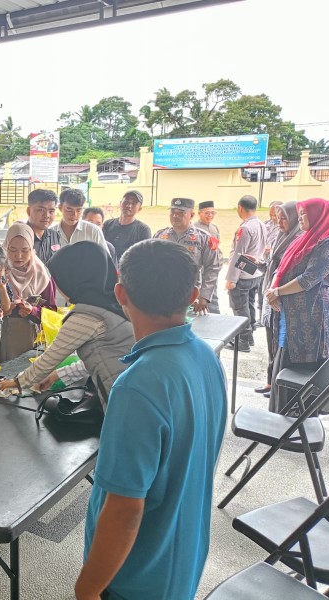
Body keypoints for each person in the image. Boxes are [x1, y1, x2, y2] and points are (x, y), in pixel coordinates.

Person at [75, 239, 227, 600]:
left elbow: (125, 509)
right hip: (184, 556)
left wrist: (88, 587)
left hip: (137, 578)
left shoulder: (137, 386)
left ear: (121, 294)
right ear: (192, 295)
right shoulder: (206, 356)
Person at [0, 242, 134, 407]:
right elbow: (101, 359)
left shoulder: (87, 316)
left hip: (124, 401)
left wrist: (17, 382)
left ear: (73, 279)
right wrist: (59, 375)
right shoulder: (116, 306)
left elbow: (49, 359)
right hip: (137, 392)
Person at [265, 198, 329, 413]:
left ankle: (300, 419)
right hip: (291, 314)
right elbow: (281, 269)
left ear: (320, 215)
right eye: (299, 213)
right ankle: (280, 415)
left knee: (303, 367)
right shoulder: (304, 239)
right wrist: (274, 289)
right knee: (285, 359)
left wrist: (277, 292)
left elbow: (309, 279)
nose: (300, 217)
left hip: (312, 315)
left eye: (304, 213)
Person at [254, 201, 301, 396]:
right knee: (270, 341)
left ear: (295, 219)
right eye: (277, 218)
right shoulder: (280, 236)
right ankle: (270, 381)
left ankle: (277, 385)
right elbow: (273, 266)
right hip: (270, 293)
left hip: (282, 298)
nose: (279, 222)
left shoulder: (298, 240)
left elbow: (289, 271)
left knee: (279, 344)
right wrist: (259, 263)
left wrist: (277, 291)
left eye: (284, 218)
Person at [0, 222, 57, 362]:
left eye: (25, 250)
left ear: (32, 248)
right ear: (5, 247)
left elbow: (52, 312)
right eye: (12, 249)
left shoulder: (41, 274)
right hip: (0, 338)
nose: (18, 256)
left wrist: (32, 311)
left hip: (30, 339)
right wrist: (2, 309)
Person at [153, 198, 219, 315]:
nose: (175, 216)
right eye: (173, 212)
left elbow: (212, 267)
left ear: (191, 215)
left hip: (191, 296)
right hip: (162, 294)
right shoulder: (160, 236)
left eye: (181, 213)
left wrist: (204, 296)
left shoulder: (203, 238)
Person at [224, 195, 267, 351]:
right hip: (254, 273)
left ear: (240, 208)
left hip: (242, 274)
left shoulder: (246, 228)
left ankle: (243, 340)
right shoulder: (261, 224)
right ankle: (249, 336)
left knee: (240, 308)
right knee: (249, 305)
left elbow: (238, 255)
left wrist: (231, 279)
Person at [102, 190, 151, 260]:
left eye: (133, 203)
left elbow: (145, 256)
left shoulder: (143, 230)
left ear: (139, 209)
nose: (128, 206)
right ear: (120, 204)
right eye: (126, 202)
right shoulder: (108, 224)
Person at [194, 200, 222, 313]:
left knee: (213, 295)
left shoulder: (214, 228)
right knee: (197, 296)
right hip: (200, 271)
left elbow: (217, 247)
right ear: (199, 213)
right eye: (207, 213)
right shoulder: (194, 229)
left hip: (212, 268)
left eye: (212, 213)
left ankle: (215, 316)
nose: (210, 215)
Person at [26, 188, 63, 264]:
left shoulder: (55, 236)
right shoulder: (20, 237)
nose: (47, 215)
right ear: (29, 211)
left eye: (51, 211)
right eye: (41, 210)